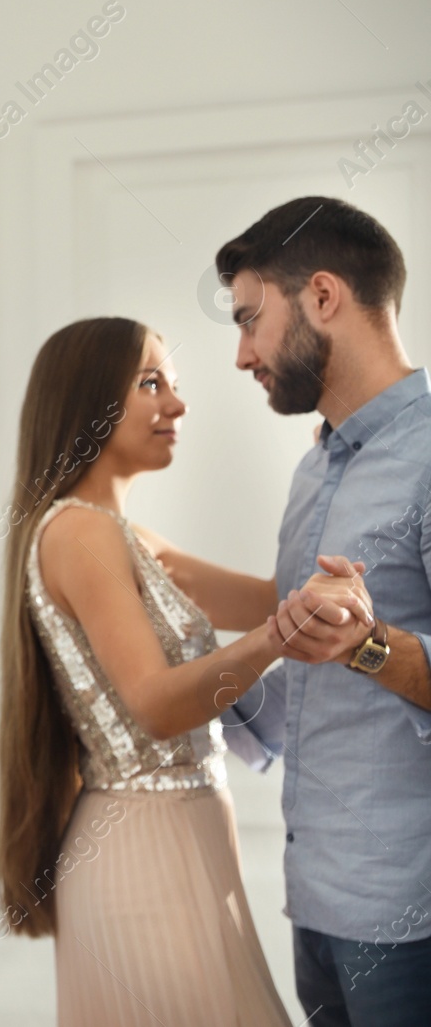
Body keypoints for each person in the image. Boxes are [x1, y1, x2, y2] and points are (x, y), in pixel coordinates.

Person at [0, 316, 366, 1025]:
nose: (178, 404)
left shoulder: (127, 538)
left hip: (183, 838)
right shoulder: (81, 532)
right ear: (88, 400)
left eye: (174, 382)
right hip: (142, 852)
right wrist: (276, 639)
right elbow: (158, 706)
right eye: (151, 382)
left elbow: (275, 594)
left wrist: (331, 475)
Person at [217, 197, 431, 1026]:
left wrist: (367, 646)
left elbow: (353, 653)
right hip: (312, 904)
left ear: (324, 297)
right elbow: (305, 679)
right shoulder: (315, 473)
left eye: (250, 320)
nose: (242, 355)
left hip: (410, 916)